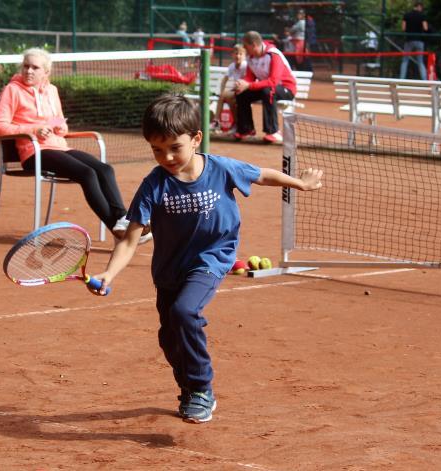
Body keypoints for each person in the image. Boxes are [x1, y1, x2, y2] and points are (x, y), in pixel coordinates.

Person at [91, 93, 324, 423]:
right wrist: (109, 274)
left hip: (212, 258)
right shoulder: (153, 186)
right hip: (170, 269)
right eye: (157, 149)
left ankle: (202, 388)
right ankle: (188, 389)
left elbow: (263, 174)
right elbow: (131, 240)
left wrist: (300, 183)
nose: (167, 156)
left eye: (175, 147)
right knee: (170, 339)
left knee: (185, 312)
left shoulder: (221, 168)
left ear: (196, 139)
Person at [0, 48, 151, 244]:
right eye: (26, 66)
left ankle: (122, 221)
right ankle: (120, 231)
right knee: (87, 173)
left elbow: (59, 124)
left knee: (104, 169)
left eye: (35, 67)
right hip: (34, 152)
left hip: (59, 147)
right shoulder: (12, 90)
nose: (29, 71)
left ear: (46, 72)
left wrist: (60, 126)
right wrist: (35, 129)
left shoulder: (52, 90)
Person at [234, 31, 297, 144]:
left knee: (268, 91)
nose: (244, 48)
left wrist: (249, 85)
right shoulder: (250, 57)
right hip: (266, 87)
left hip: (286, 89)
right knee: (241, 93)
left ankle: (273, 132)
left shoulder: (273, 55)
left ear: (253, 45)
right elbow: (250, 77)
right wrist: (242, 84)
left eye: (245, 46)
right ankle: (246, 130)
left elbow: (273, 81)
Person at [210, 44, 247, 134]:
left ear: (244, 56)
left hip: (246, 90)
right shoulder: (232, 66)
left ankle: (218, 122)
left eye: (240, 54)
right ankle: (233, 124)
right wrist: (221, 91)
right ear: (232, 55)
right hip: (237, 91)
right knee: (227, 98)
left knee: (227, 97)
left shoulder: (246, 66)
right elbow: (224, 80)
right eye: (235, 53)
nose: (238, 56)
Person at [399, 1, 429, 80]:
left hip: (409, 39)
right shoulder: (422, 16)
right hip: (419, 40)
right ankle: (424, 80)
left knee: (405, 60)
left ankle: (401, 79)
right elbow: (425, 28)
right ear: (419, 6)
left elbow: (403, 28)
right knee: (420, 61)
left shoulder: (407, 15)